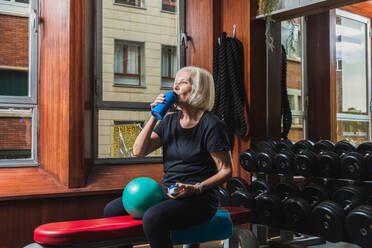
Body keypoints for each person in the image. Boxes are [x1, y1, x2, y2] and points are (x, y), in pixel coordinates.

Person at [104, 66, 233, 248]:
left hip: (199, 200)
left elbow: (226, 170)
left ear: (198, 89)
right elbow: (138, 151)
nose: (175, 87)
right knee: (112, 210)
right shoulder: (170, 121)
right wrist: (154, 115)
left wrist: (197, 188)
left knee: (153, 218)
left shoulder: (212, 125)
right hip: (169, 193)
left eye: (183, 82)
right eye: (175, 83)